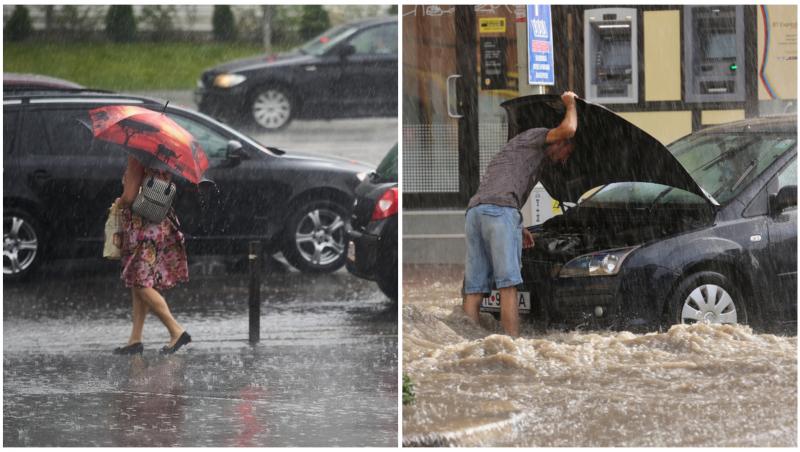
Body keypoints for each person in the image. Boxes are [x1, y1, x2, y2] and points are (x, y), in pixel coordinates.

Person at [463, 91, 579, 337]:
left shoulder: (521, 152)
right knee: (509, 286)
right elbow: (569, 129)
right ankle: (512, 347)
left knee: (474, 289)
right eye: (565, 155)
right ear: (559, 143)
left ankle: (466, 342)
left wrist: (519, 225)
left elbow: (501, 189)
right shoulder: (537, 136)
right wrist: (570, 104)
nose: (561, 162)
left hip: (476, 213)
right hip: (498, 213)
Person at [112, 155, 192, 355]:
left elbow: (130, 196)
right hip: (159, 223)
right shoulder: (164, 156)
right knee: (139, 281)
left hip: (142, 227)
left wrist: (119, 202)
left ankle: (176, 330)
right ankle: (135, 339)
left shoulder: (137, 157)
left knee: (140, 284)